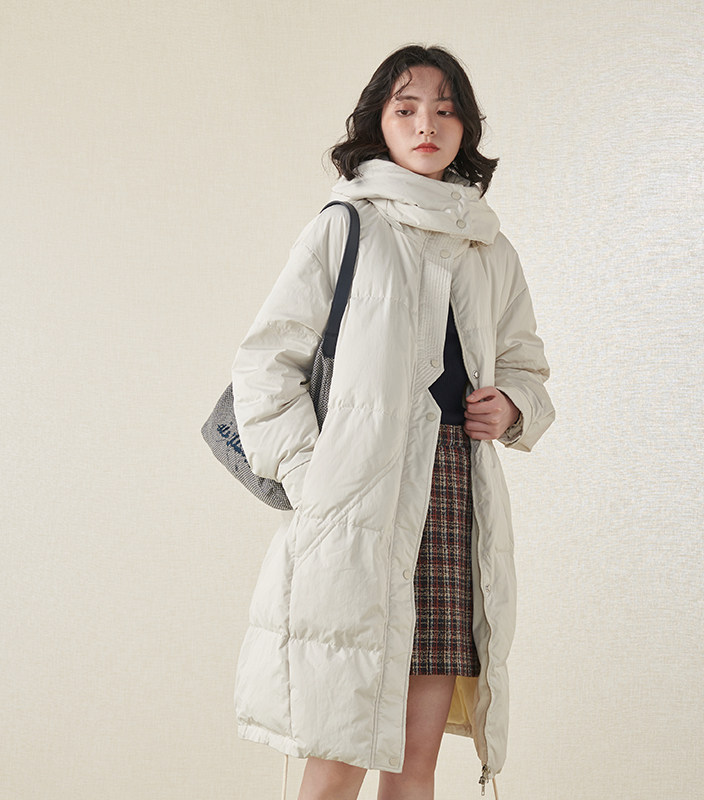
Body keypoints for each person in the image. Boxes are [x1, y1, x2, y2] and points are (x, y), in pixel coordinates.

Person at [231, 44, 555, 800]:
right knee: (336, 756)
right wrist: (313, 475)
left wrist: (511, 404)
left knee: (416, 765)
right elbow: (264, 364)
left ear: (466, 128)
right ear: (378, 121)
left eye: (445, 110)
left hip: (451, 504)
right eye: (407, 109)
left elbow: (525, 364)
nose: (427, 125)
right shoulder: (345, 226)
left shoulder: (488, 244)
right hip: (357, 507)